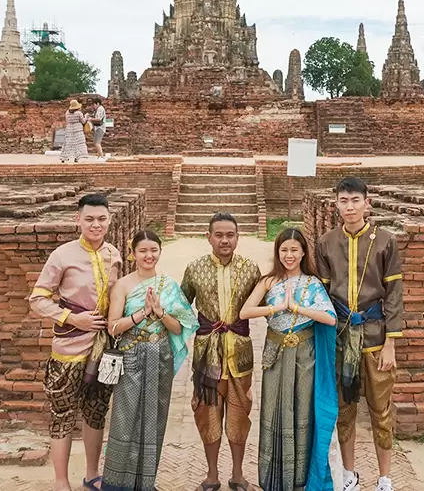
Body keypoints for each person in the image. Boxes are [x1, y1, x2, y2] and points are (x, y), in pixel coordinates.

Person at [316, 177, 404, 491]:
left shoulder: (384, 241)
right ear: (336, 205)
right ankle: (349, 474)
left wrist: (391, 343)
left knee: (381, 411)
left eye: (355, 200)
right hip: (341, 338)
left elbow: (393, 294)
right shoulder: (326, 242)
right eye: (344, 200)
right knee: (345, 410)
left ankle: (384, 478)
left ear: (367, 203)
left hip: (376, 335)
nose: (350, 207)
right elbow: (322, 296)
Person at [27, 193, 121, 491]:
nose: (96, 224)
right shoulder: (63, 255)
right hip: (69, 348)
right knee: (63, 413)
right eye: (90, 219)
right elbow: (38, 299)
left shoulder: (114, 255)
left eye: (102, 219)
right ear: (77, 219)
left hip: (104, 349)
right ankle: (60, 480)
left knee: (96, 410)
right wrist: (70, 317)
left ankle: (92, 474)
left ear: (109, 220)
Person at [240, 228, 339, 491]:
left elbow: (330, 318)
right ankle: (273, 476)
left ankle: (300, 477)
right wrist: (277, 308)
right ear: (277, 252)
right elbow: (245, 312)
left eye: (294, 249)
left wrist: (297, 308)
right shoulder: (268, 282)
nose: (289, 255)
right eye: (284, 250)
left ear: (304, 252)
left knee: (302, 409)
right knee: (274, 409)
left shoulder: (313, 283)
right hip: (276, 353)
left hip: (305, 354)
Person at [102, 230, 198, 491]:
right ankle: (117, 483)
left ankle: (146, 482)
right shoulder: (122, 285)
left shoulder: (169, 285)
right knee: (125, 417)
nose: (149, 255)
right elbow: (113, 327)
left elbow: (179, 328)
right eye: (143, 250)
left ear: (160, 252)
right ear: (133, 254)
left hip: (160, 357)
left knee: (155, 418)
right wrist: (141, 314)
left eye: (153, 250)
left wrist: (159, 311)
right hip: (132, 355)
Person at [180, 212, 261, 491]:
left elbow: (263, 303)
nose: (224, 240)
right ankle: (211, 474)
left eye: (230, 235)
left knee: (240, 413)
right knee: (207, 413)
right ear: (208, 237)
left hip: (240, 352)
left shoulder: (251, 269)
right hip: (207, 354)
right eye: (219, 235)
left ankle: (238, 474)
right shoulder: (194, 269)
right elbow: (181, 305)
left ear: (238, 237)